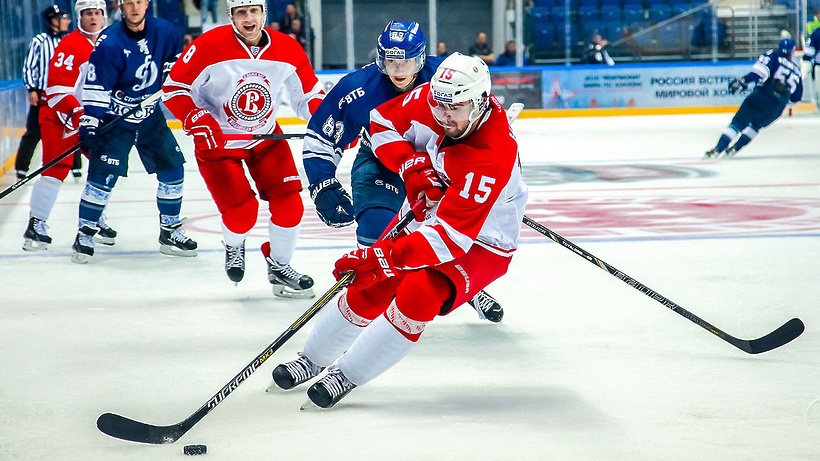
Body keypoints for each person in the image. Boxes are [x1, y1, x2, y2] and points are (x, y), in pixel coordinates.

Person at [271, 53, 528, 409]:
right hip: (433, 212)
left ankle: (346, 374)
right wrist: (409, 165)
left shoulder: (491, 154)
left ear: (481, 101)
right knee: (374, 282)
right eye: (440, 106)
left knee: (420, 291)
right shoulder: (436, 97)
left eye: (456, 108)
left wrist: (384, 257)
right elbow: (381, 122)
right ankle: (312, 358)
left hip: (484, 238)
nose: (444, 116)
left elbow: (449, 238)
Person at [300, 20, 504, 322]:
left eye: (406, 60)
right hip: (381, 162)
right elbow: (321, 137)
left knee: (449, 232)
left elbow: (482, 117)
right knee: (376, 231)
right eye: (391, 61)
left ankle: (464, 288)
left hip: (439, 166)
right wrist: (322, 183)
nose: (398, 70)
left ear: (421, 57)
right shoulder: (357, 88)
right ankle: (372, 294)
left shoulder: (447, 77)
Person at [163, 0, 324, 298]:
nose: (248, 18)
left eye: (253, 11)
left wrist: (326, 123)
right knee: (242, 214)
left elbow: (308, 94)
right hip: (218, 142)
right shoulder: (209, 45)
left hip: (265, 139)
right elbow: (174, 88)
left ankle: (279, 266)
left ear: (264, 13)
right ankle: (234, 244)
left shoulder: (287, 48)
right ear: (231, 16)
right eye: (240, 12)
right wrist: (195, 115)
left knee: (290, 206)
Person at [73, 0, 197, 263]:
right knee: (102, 179)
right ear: (121, 5)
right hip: (116, 121)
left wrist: (170, 78)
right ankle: (84, 232)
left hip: (150, 117)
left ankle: (170, 229)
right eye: (129, 2)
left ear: (147, 3)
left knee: (173, 169)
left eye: (139, 1)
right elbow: (97, 86)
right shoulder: (109, 42)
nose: (135, 7)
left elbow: (174, 67)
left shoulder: (165, 31)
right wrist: (91, 122)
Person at [23, 0, 114, 252]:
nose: (93, 18)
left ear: (104, 16)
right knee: (56, 169)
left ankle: (93, 220)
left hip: (91, 118)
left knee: (102, 166)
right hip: (59, 117)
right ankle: (36, 223)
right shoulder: (71, 45)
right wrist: (78, 114)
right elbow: (55, 90)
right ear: (79, 18)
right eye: (87, 14)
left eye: (97, 13)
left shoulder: (110, 43)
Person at [15, 5, 82, 181]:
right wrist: (32, 89)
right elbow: (30, 66)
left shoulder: (70, 40)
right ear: (54, 21)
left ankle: (76, 167)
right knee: (33, 132)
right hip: (44, 95)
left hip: (65, 94)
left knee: (71, 129)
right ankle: (21, 168)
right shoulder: (39, 41)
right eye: (64, 18)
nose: (67, 21)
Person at [705, 38, 802, 159]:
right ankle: (735, 149)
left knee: (737, 124)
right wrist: (781, 104)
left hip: (761, 95)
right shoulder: (797, 71)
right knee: (755, 126)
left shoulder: (773, 55)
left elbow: (760, 73)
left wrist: (743, 81)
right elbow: (796, 97)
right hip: (777, 106)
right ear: (793, 52)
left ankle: (718, 149)